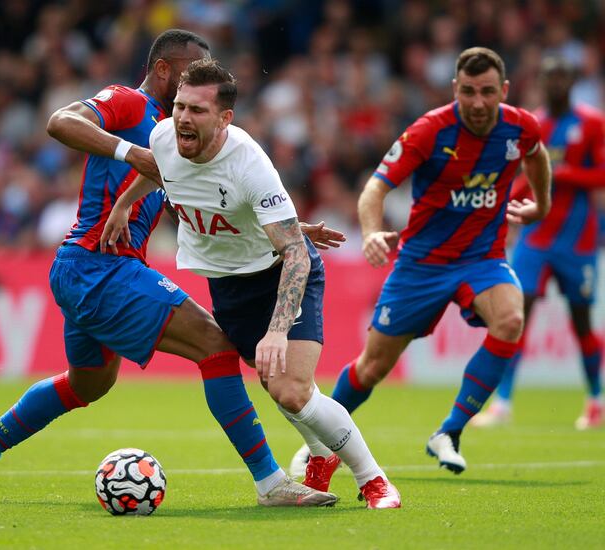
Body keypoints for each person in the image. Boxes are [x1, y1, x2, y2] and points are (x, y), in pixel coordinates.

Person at [0, 29, 338, 508]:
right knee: (215, 346)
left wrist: (284, 229)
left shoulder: (175, 136)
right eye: (187, 76)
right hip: (99, 267)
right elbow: (60, 121)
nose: (191, 95)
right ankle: (271, 484)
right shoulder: (130, 103)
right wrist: (130, 152)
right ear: (164, 70)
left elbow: (201, 207)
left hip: (88, 271)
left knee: (87, 384)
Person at [102, 59, 401, 509]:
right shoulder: (164, 136)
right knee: (280, 386)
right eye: (180, 106)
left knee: (291, 389)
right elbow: (160, 169)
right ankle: (322, 454)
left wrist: (278, 330)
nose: (183, 117)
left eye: (197, 111)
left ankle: (373, 479)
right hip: (228, 287)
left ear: (225, 118)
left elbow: (296, 253)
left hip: (281, 273)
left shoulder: (249, 164)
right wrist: (125, 203)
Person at [288, 47, 552, 476]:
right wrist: (372, 232)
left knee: (510, 320)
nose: (479, 102)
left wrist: (541, 204)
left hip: (481, 257)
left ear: (503, 90)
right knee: (372, 367)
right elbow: (374, 190)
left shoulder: (520, 126)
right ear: (455, 90)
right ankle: (321, 441)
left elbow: (537, 154)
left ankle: (449, 431)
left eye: (488, 92)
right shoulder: (429, 131)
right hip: (421, 265)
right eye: (469, 91)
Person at [473, 57, 604, 430]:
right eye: (550, 77)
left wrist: (562, 173)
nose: (556, 83)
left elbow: (602, 173)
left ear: (572, 81)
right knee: (516, 316)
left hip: (577, 240)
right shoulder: (533, 124)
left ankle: (596, 399)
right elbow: (523, 179)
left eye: (563, 75)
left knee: (581, 323)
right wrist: (502, 203)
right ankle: (503, 403)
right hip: (535, 239)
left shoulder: (592, 123)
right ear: (542, 82)